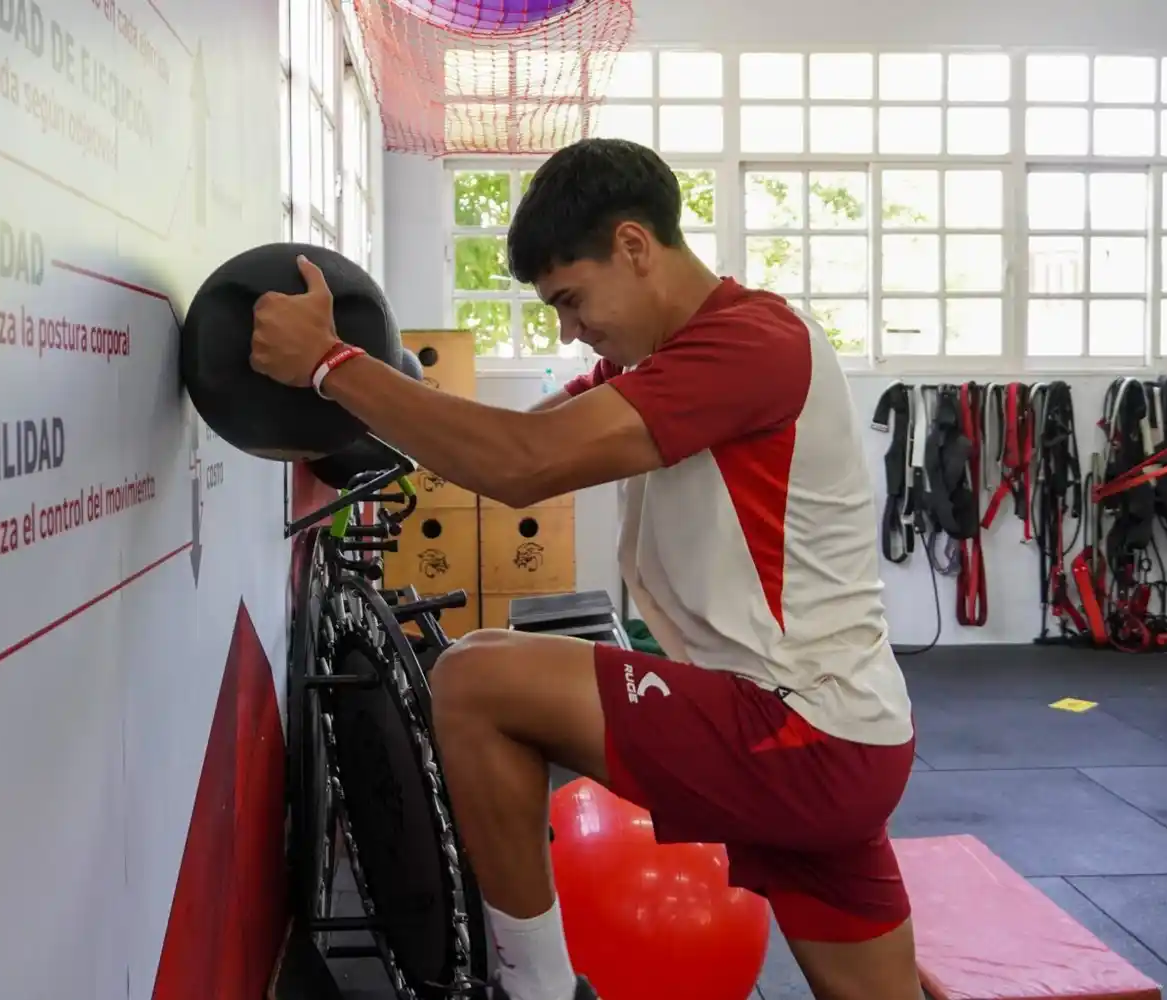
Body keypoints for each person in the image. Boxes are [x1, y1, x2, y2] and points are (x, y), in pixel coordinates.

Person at [249, 137, 920, 1000]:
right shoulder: (660, 362)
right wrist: (365, 389)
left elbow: (521, 462)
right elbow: (504, 444)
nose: (568, 329)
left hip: (796, 727)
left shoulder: (750, 344)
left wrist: (332, 366)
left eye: (570, 299)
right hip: (850, 731)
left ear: (634, 246)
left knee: (477, 680)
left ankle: (538, 991)